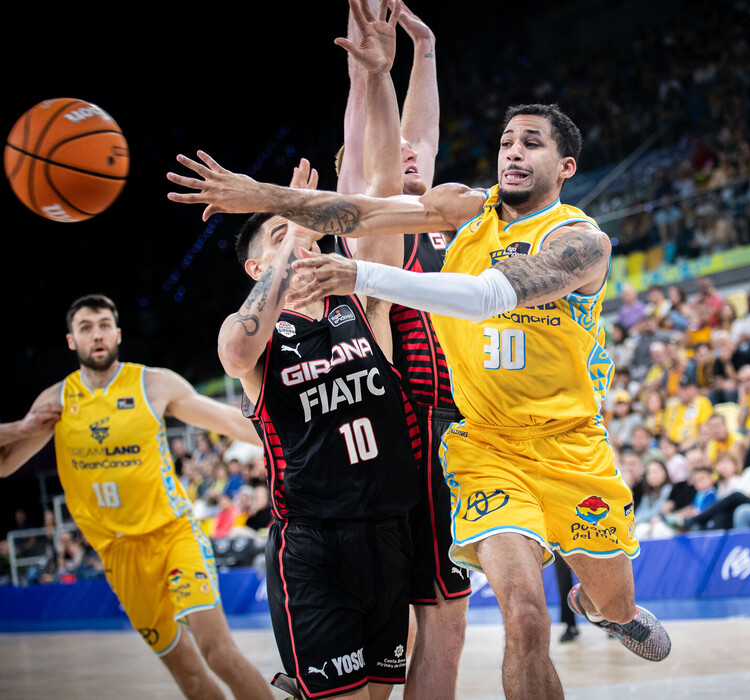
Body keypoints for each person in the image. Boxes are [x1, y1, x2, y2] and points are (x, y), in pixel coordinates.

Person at [168, 98, 672, 697]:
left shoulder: (582, 243)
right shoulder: (461, 208)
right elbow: (361, 211)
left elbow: (485, 296)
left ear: (565, 166)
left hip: (571, 446)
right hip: (486, 447)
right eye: (507, 141)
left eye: (531, 143)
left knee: (615, 603)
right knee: (525, 617)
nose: (513, 151)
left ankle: (601, 606)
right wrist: (261, 194)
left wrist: (361, 276)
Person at [221, 6, 421, 697]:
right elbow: (233, 350)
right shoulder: (253, 336)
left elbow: (383, 191)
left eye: (303, 228)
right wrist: (292, 234)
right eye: (278, 236)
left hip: (389, 533)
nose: (300, 236)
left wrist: (378, 77)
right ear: (256, 267)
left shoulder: (361, 301)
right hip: (312, 544)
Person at [0, 294, 272, 700]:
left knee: (219, 654)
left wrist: (292, 436)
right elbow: (4, 464)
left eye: (104, 325)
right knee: (190, 677)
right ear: (71, 340)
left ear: (118, 334)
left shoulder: (153, 384)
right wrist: (20, 429)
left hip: (173, 535)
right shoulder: (56, 401)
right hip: (118, 554)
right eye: (86, 327)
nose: (97, 335)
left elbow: (231, 421)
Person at [332, 4, 470, 696]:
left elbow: (421, 136)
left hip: (449, 428)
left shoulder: (429, 220)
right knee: (427, 625)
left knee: (428, 629)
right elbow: (374, 157)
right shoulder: (373, 224)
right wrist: (370, 76)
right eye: (394, 147)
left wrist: (427, 50)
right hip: (410, 427)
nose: (409, 151)